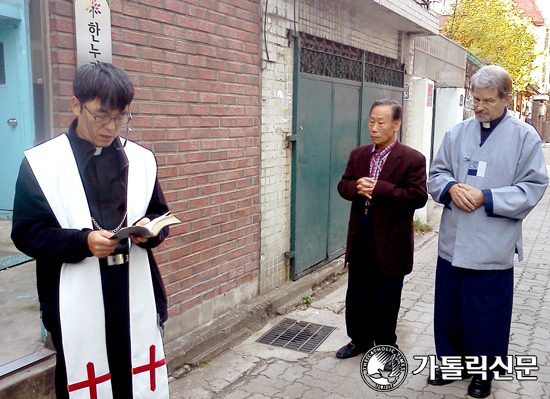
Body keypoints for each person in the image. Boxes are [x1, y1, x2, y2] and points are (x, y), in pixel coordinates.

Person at [11, 62, 170, 399]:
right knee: (83, 382)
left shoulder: (140, 159)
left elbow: (158, 212)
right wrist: (82, 241)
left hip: (133, 290)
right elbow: (26, 233)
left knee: (135, 381)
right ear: (75, 105)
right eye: (101, 115)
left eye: (121, 117)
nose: (111, 127)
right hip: (73, 297)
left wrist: (149, 230)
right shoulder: (42, 164)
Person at [427, 65, 548, 398]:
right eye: (475, 99)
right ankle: (451, 363)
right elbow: (435, 175)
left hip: (492, 242)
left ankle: (484, 375)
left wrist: (488, 196)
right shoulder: (456, 133)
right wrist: (450, 187)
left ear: (506, 98)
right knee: (449, 309)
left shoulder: (525, 137)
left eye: (487, 101)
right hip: (454, 239)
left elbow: (534, 186)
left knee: (487, 314)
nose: (479, 107)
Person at [336, 99, 428, 360]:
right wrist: (356, 188)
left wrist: (379, 188)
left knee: (386, 295)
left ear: (396, 124)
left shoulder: (412, 159)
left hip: (391, 236)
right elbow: (343, 186)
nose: (374, 127)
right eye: (371, 121)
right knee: (358, 291)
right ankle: (358, 340)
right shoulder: (359, 155)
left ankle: (386, 346)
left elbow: (417, 196)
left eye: (381, 122)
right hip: (361, 230)